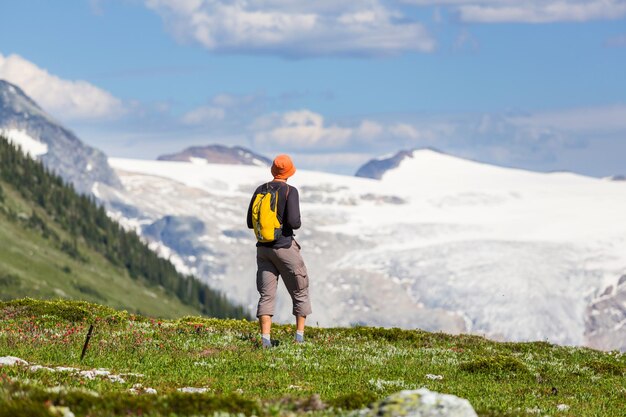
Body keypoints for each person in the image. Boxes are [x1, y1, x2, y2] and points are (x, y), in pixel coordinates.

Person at [246, 154, 312, 347]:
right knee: (300, 288)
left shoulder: (261, 189)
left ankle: (265, 340)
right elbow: (294, 223)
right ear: (290, 172)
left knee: (266, 294)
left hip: (263, 250)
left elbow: (250, 222)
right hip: (284, 248)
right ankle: (299, 338)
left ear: (273, 171)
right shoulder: (290, 191)